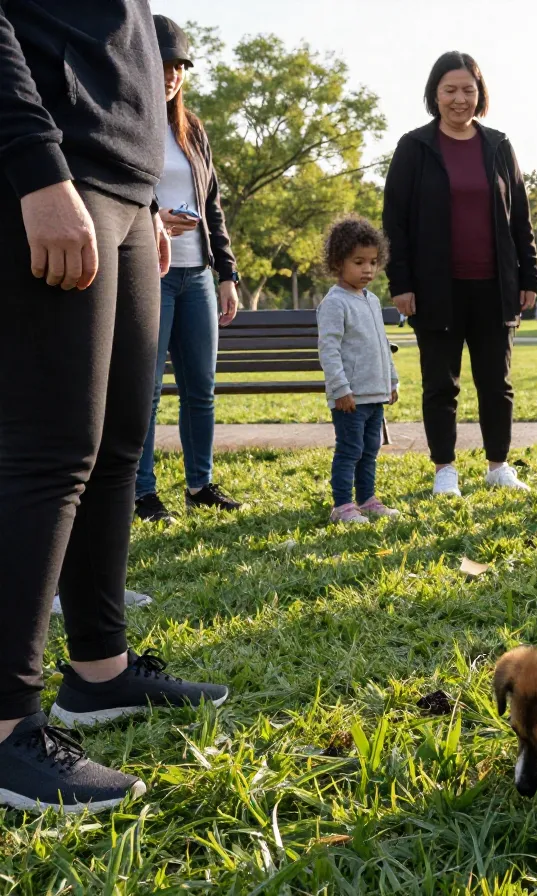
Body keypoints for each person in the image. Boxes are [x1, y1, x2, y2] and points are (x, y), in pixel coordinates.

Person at [0, 0, 228, 813]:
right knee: (50, 446)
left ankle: (98, 672)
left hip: (127, 183)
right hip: (56, 161)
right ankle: (4, 723)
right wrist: (34, 164)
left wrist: (141, 196)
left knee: (119, 441)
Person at [384, 51, 537, 497]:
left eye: (468, 90)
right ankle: (444, 470)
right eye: (450, 90)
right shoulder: (414, 148)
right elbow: (395, 221)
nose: (459, 99)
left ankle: (498, 466)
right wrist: (402, 283)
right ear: (435, 94)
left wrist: (529, 276)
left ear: (480, 93)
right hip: (436, 290)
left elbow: (520, 219)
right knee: (440, 385)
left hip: (495, 288)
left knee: (497, 384)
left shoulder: (498, 145)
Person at [134, 17, 242, 524]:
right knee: (147, 390)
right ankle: (142, 492)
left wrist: (226, 273)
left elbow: (213, 203)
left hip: (197, 273)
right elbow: (119, 190)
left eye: (179, 65)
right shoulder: (127, 120)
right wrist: (153, 216)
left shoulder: (192, 128)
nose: (172, 74)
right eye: (163, 62)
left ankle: (200, 484)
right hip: (149, 273)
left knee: (201, 388)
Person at [317, 216, 401, 525]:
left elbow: (382, 342)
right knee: (350, 450)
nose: (368, 269)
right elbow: (329, 349)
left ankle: (366, 499)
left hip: (374, 394)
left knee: (370, 450)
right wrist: (340, 388)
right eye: (359, 262)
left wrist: (391, 379)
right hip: (350, 397)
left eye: (373, 262)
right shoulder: (334, 303)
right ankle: (342, 505)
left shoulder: (373, 300)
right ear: (338, 262)